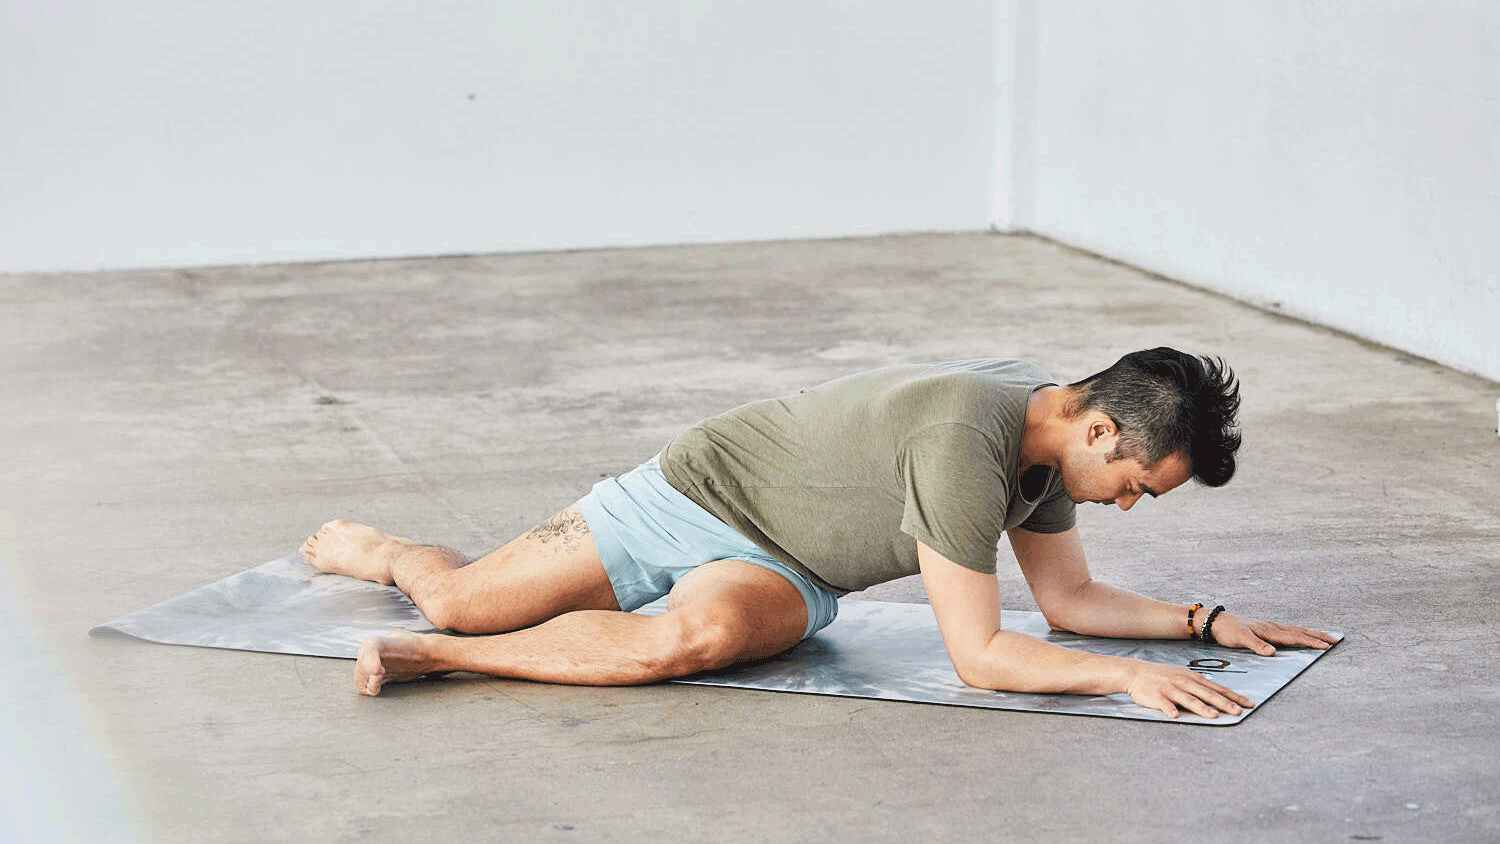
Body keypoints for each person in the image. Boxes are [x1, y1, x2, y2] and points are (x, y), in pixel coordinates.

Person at [301, 348, 1336, 718]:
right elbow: (978, 657)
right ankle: (397, 561)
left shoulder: (1051, 442)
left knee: (685, 645)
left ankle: (433, 658)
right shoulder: (963, 438)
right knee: (462, 594)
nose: (1123, 504)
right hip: (696, 492)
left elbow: (1067, 605)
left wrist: (1206, 619)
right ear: (1100, 428)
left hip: (792, 566)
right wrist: (1124, 679)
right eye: (1135, 486)